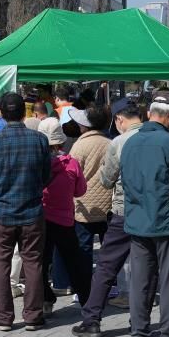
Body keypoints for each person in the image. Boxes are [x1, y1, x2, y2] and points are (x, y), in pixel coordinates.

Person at [119, 91, 169, 337]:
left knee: (140, 282)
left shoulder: (129, 144)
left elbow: (124, 181)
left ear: (150, 115)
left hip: (138, 223)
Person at [72, 98, 143, 337]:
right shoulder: (164, 139)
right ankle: (141, 327)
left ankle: (92, 320)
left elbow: (107, 179)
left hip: (124, 212)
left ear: (119, 119)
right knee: (147, 269)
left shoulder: (119, 142)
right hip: (156, 215)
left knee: (106, 265)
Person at [0, 93, 51, 331]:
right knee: (33, 262)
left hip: (1, 211)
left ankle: (3, 316)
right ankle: (33, 315)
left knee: (0, 263)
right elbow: (45, 177)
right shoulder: (40, 140)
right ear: (25, 112)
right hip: (32, 210)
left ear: (1, 112)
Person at [36, 118, 90, 316]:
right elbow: (80, 191)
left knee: (40, 262)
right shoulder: (71, 163)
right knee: (75, 262)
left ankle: (45, 300)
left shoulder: (37, 164)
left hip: (41, 219)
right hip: (66, 220)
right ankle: (87, 301)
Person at [68, 107, 112, 271]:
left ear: (84, 126)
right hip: (108, 204)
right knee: (108, 249)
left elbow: (71, 175)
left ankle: (84, 285)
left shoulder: (79, 146)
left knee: (83, 248)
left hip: (84, 206)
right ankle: (111, 284)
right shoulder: (111, 143)